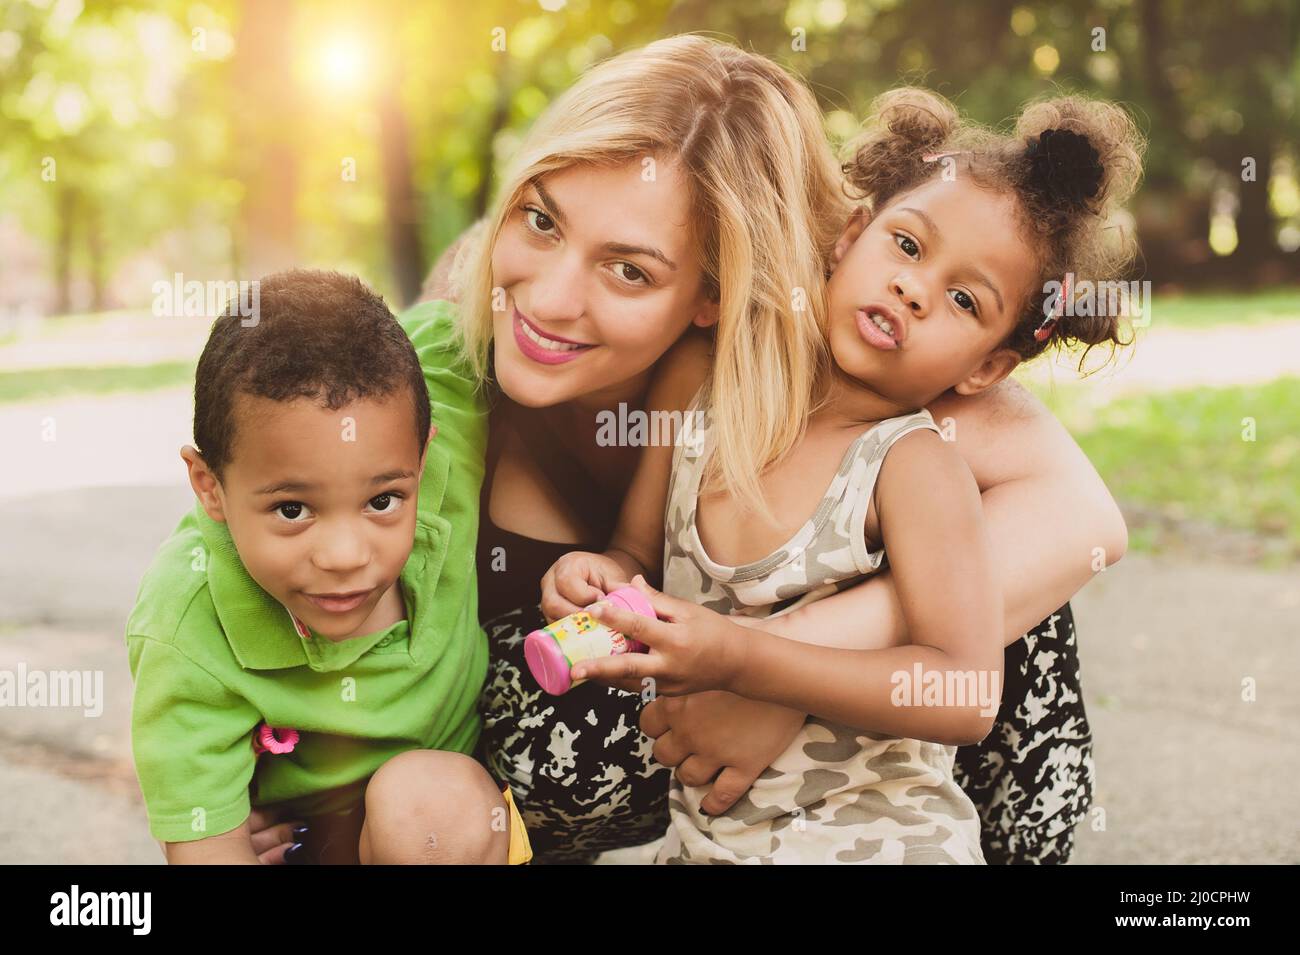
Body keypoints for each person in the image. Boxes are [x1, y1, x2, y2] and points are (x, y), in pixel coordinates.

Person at [420, 35, 1127, 864]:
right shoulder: (449, 351)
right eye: (541, 220)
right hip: (688, 804)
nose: (549, 296)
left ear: (720, 294)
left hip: (877, 821)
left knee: (997, 588)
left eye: (632, 271)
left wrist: (772, 671)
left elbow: (1079, 524)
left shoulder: (880, 400)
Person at [125, 270, 531, 864]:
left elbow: (468, 280)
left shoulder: (441, 408)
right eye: (292, 509)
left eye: (383, 501)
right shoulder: (185, 626)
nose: (345, 556)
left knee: (429, 807)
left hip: (447, 823)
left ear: (423, 456)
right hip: (305, 845)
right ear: (209, 486)